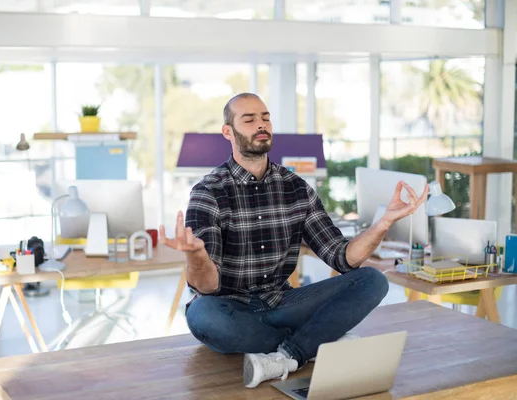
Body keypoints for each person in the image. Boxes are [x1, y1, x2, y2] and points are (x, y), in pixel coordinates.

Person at [159, 92, 428, 389]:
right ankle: (315, 342)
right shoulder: (208, 191)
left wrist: (384, 222)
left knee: (372, 281)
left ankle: (287, 355)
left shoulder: (296, 188)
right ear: (228, 132)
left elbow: (343, 258)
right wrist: (196, 255)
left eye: (265, 118)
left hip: (283, 302)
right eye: (249, 120)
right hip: (230, 309)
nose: (261, 125)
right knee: (204, 315)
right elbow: (207, 286)